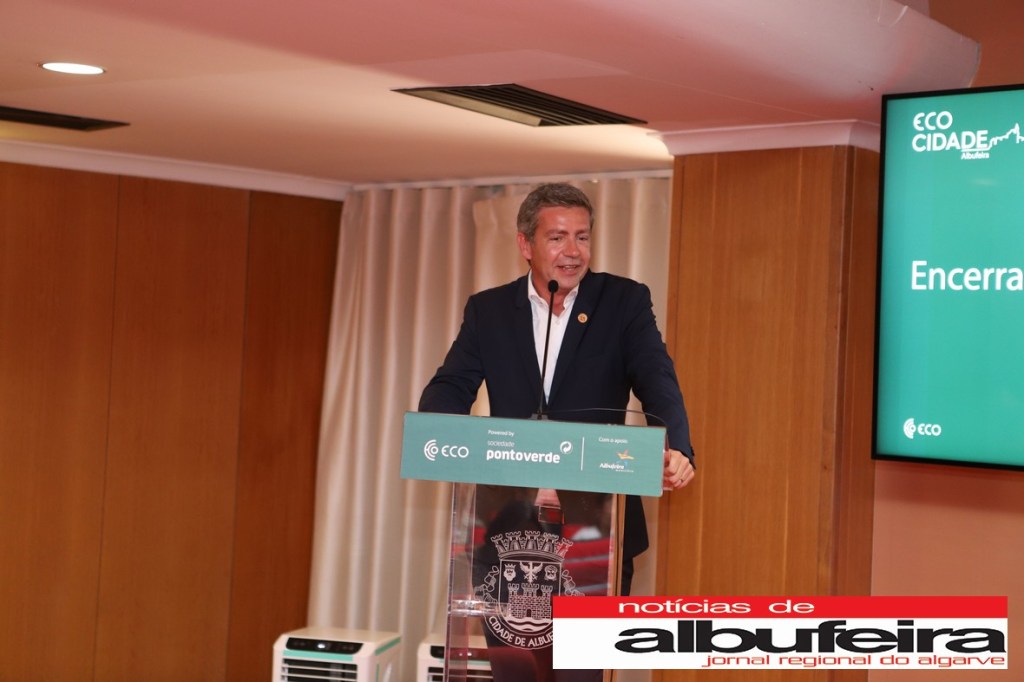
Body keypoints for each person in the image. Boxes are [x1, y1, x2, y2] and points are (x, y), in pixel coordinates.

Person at [419, 182, 695, 594]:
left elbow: (657, 379)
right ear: (525, 244)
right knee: (512, 637)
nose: (573, 251)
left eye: (582, 237)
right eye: (557, 238)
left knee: (584, 640)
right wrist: (435, 435)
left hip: (597, 525)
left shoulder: (623, 302)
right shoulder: (489, 310)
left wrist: (677, 447)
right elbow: (451, 386)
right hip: (507, 520)